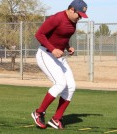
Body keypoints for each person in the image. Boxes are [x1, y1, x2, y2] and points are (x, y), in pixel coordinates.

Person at [31, 0, 88, 129]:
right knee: (60, 83)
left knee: (71, 86)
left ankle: (56, 119)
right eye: (79, 14)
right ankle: (38, 113)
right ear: (72, 9)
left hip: (59, 56)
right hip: (45, 54)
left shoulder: (73, 22)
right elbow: (39, 34)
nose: (80, 18)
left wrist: (68, 47)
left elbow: (62, 36)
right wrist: (52, 49)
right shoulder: (57, 18)